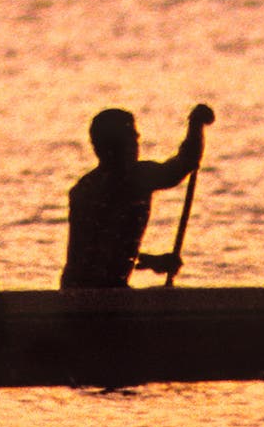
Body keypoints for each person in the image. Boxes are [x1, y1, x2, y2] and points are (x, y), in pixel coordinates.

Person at [59, 102, 212, 290]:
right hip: (91, 294)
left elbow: (107, 247)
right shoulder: (133, 178)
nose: (137, 138)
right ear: (116, 145)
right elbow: (184, 163)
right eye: (131, 134)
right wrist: (195, 124)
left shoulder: (84, 188)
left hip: (87, 288)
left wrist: (150, 261)